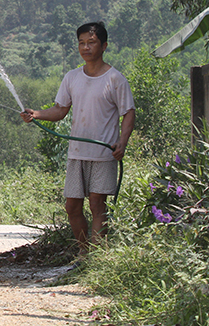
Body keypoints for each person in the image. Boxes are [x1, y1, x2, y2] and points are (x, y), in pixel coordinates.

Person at [21, 21, 135, 258]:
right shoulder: (72, 77)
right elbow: (60, 110)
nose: (86, 47)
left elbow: (128, 113)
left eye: (91, 42)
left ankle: (97, 259)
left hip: (103, 154)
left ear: (104, 46)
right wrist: (37, 114)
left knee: (97, 205)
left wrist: (122, 143)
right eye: (82, 43)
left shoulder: (115, 79)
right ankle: (84, 253)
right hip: (77, 153)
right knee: (72, 207)